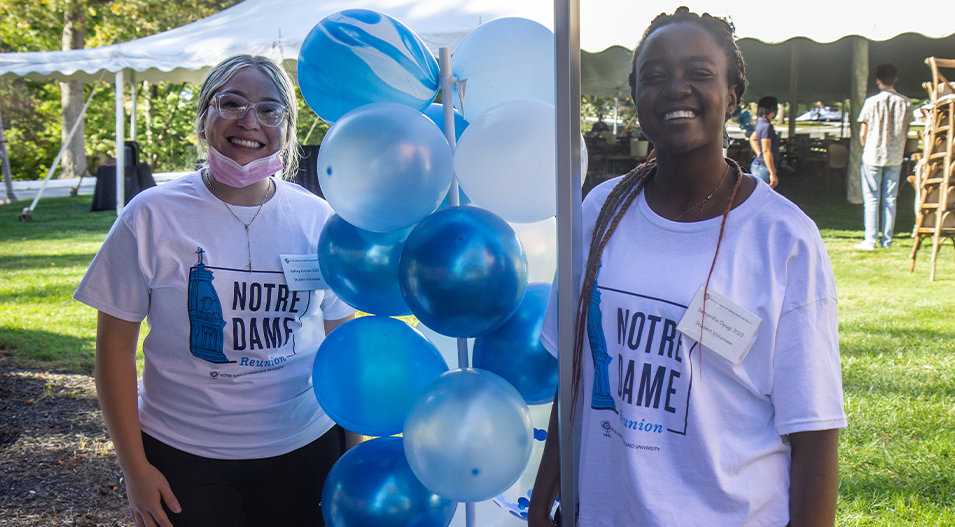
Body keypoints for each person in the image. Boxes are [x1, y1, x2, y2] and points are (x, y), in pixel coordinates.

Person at [528, 8, 845, 527]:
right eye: (654, 76)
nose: (676, 89)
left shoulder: (784, 239)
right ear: (634, 98)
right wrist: (543, 500)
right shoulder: (599, 213)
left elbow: (814, 433)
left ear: (734, 93)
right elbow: (576, 379)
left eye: (699, 73)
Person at [74, 55, 357, 527]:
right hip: (184, 456)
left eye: (270, 109)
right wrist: (134, 469)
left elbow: (342, 348)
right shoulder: (150, 216)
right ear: (204, 116)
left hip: (305, 449)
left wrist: (352, 456)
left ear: (288, 128)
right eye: (232, 103)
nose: (250, 122)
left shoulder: (319, 221)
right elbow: (114, 348)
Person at [855, 63, 914, 250]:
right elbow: (906, 130)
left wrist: (866, 146)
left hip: (873, 154)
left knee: (872, 199)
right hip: (895, 155)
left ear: (878, 80)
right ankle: (886, 240)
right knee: (890, 199)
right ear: (895, 79)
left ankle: (870, 239)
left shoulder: (871, 102)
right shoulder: (905, 102)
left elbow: (863, 132)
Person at [749, 95, 780, 187]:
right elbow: (766, 150)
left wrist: (758, 152)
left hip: (759, 165)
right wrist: (772, 173)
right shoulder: (767, 126)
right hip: (764, 167)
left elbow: (753, 138)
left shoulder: (761, 123)